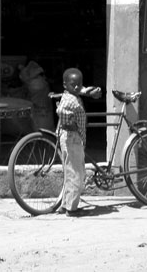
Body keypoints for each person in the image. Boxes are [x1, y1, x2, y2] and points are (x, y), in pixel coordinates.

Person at [55, 68, 101, 216]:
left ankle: (65, 205)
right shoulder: (70, 99)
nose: (76, 87)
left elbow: (80, 90)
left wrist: (89, 91)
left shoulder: (72, 93)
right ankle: (72, 210)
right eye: (73, 84)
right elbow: (61, 110)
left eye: (79, 84)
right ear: (65, 85)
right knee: (77, 174)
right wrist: (67, 121)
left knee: (70, 172)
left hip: (72, 137)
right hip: (72, 137)